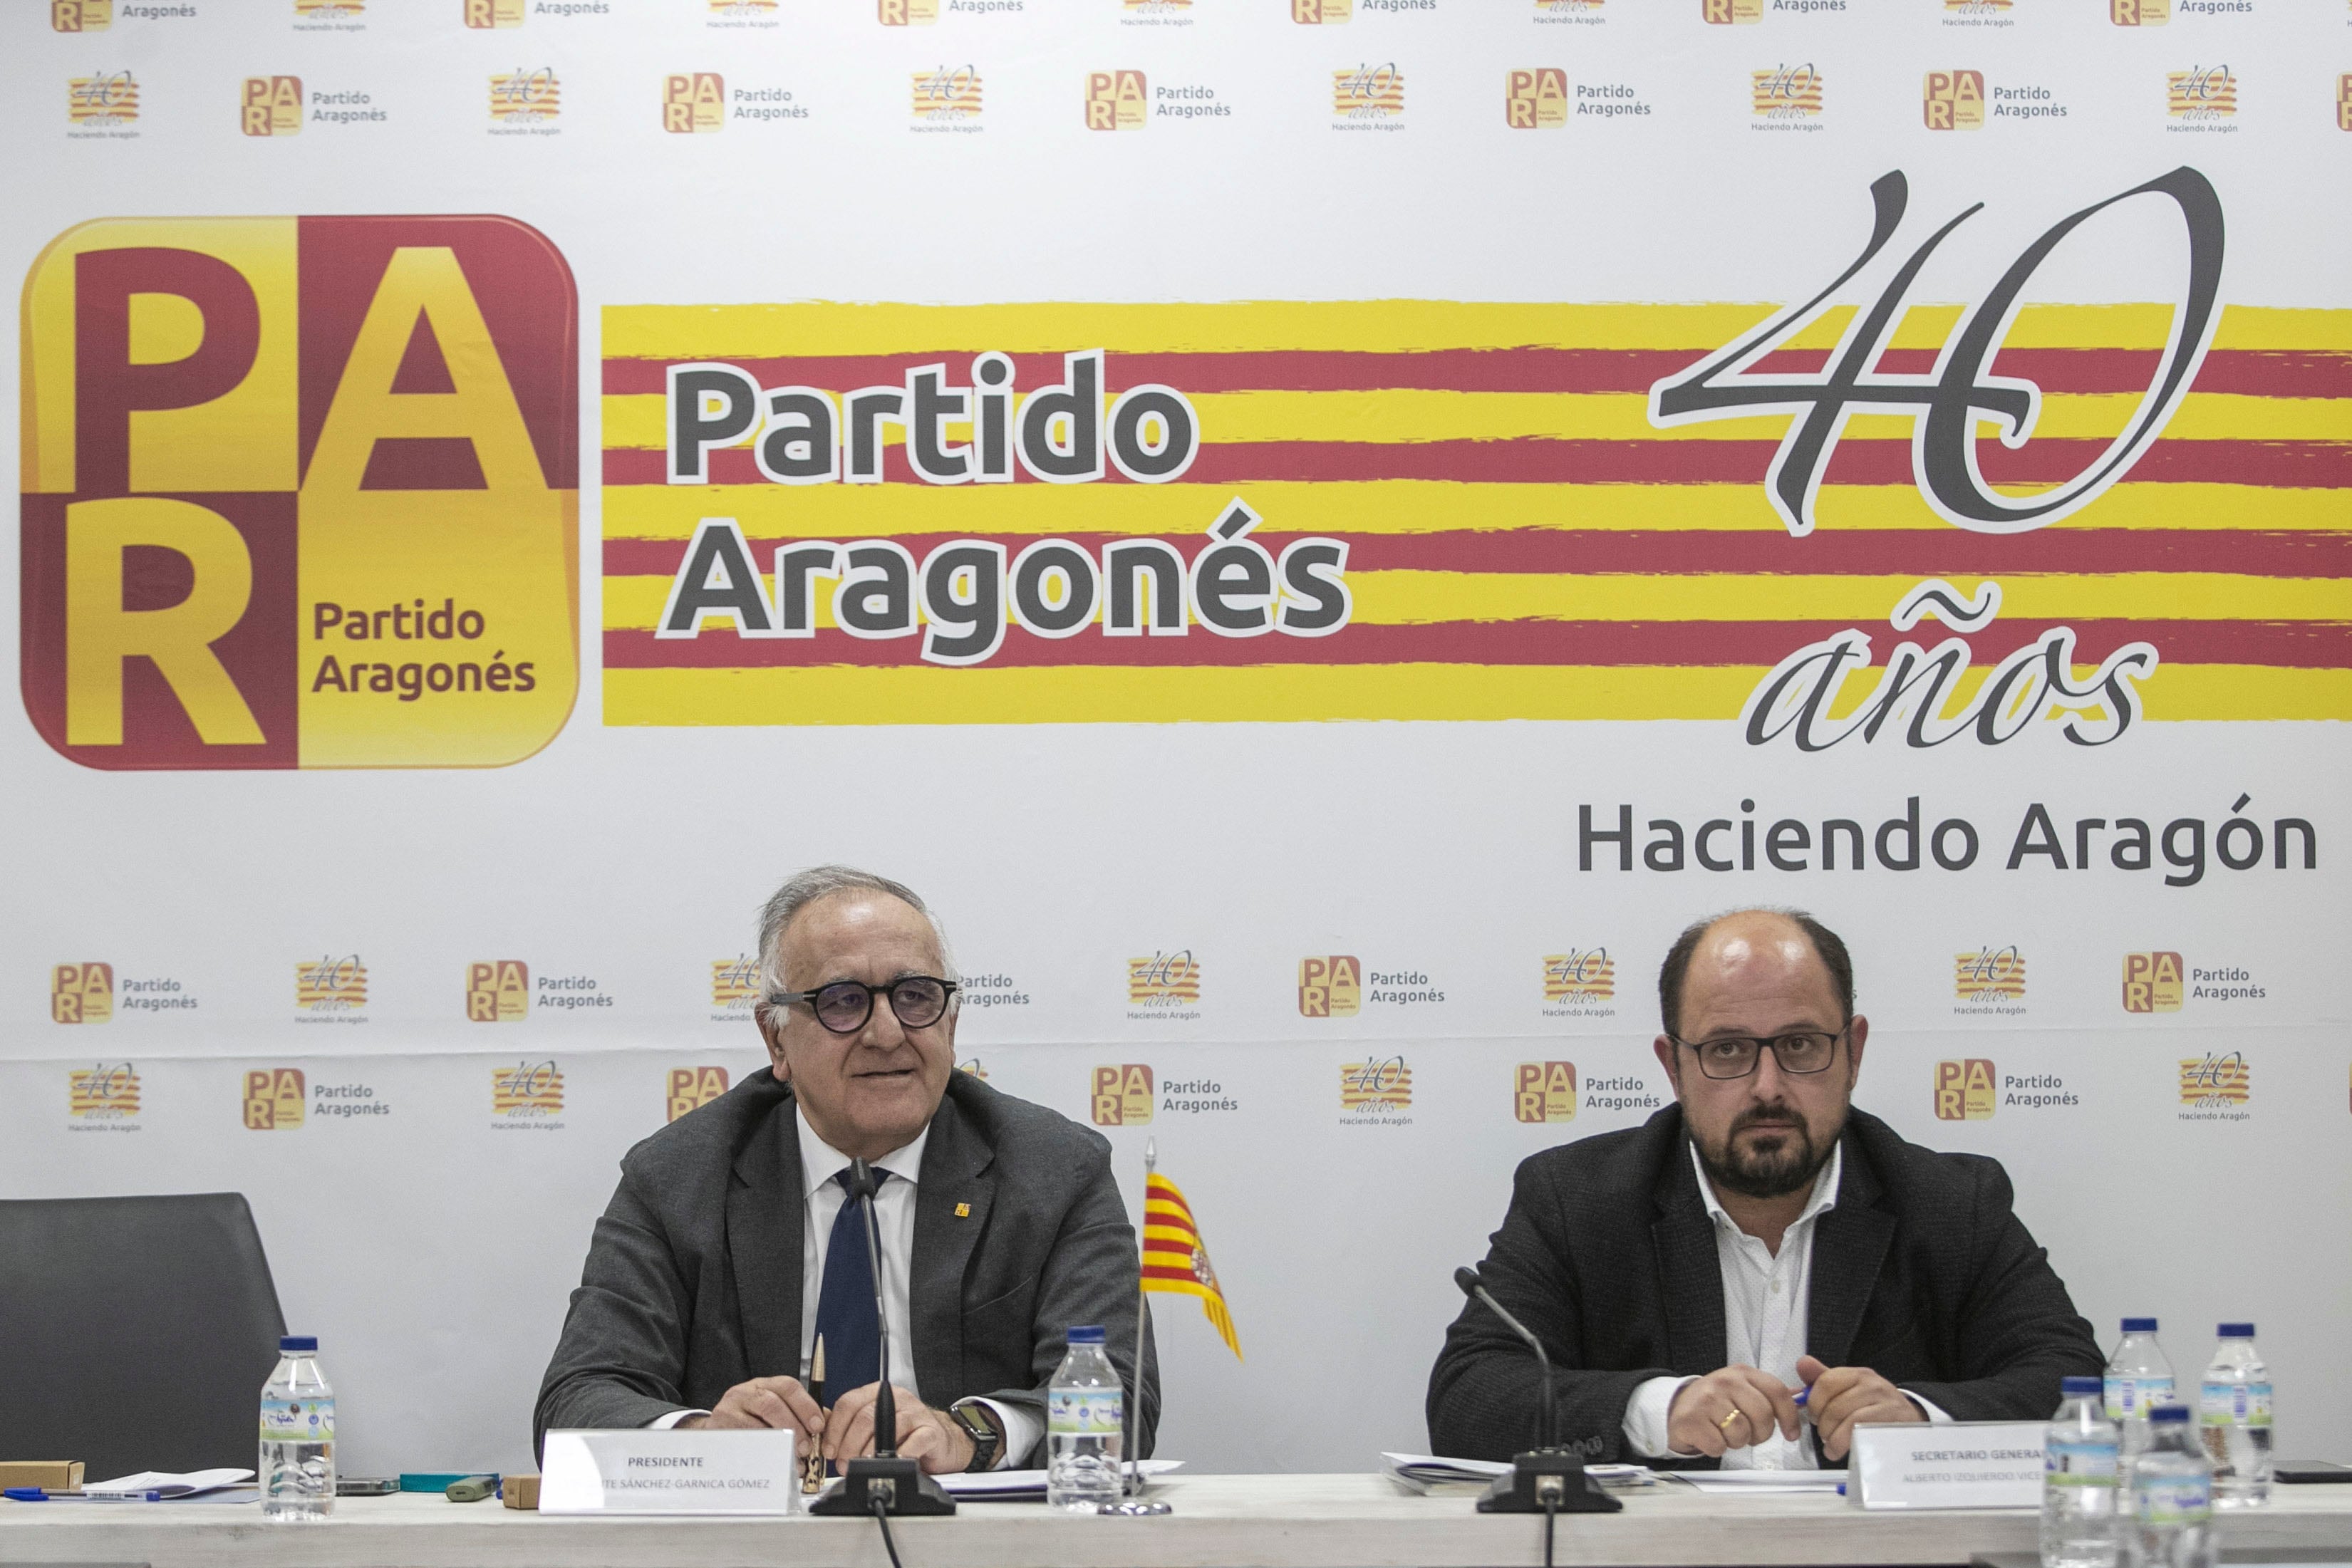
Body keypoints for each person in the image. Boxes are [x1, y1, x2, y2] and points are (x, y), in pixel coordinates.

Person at [1427, 908, 2100, 1468]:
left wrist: (1919, 1421)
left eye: (1801, 1045)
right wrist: (1658, 1409)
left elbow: (2080, 1388)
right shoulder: (1578, 1199)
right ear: (1673, 1065)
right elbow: (1468, 1399)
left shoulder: (1952, 1203)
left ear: (1853, 1052)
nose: (1768, 1085)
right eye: (1727, 1049)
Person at [536, 866, 1157, 1473]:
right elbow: (576, 1402)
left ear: (952, 1020)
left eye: (915, 997)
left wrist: (969, 1433)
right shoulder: (678, 1178)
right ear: (775, 1040)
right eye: (843, 1002)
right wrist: (703, 1438)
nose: (886, 1033)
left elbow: (1121, 1398)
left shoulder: (1053, 1169)